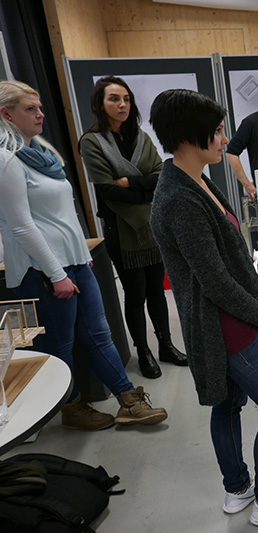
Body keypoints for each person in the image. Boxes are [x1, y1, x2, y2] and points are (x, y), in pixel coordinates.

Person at [149, 88, 258, 529]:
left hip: (221, 318)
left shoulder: (193, 180)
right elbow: (214, 280)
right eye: (220, 130)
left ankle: (238, 487)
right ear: (191, 135)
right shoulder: (177, 199)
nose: (226, 140)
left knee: (227, 404)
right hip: (224, 324)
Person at [0, 80, 167, 431]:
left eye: (40, 106)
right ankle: (71, 408)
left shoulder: (41, 154)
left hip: (74, 262)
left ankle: (127, 400)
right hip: (42, 271)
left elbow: (65, 213)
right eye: (30, 109)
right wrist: (57, 273)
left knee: (98, 334)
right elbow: (21, 227)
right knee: (59, 344)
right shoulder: (6, 160)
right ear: (6, 114)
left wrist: (80, 255)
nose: (40, 114)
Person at [79, 75, 187, 379]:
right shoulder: (91, 141)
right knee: (135, 292)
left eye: (126, 99)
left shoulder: (141, 136)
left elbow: (161, 176)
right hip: (120, 228)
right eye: (114, 99)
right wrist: (143, 189)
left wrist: (130, 183)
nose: (122, 104)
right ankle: (144, 351)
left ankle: (165, 345)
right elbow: (107, 190)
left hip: (152, 225)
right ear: (100, 104)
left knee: (157, 290)